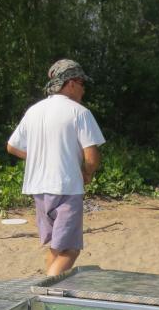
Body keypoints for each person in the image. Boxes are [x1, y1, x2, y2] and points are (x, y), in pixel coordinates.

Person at [7, 59, 105, 276]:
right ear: (71, 83)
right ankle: (47, 288)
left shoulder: (34, 111)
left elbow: (12, 147)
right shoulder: (79, 112)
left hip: (38, 189)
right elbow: (91, 157)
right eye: (81, 83)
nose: (83, 89)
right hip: (66, 187)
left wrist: (40, 159)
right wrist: (87, 173)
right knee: (70, 249)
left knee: (55, 246)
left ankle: (50, 287)